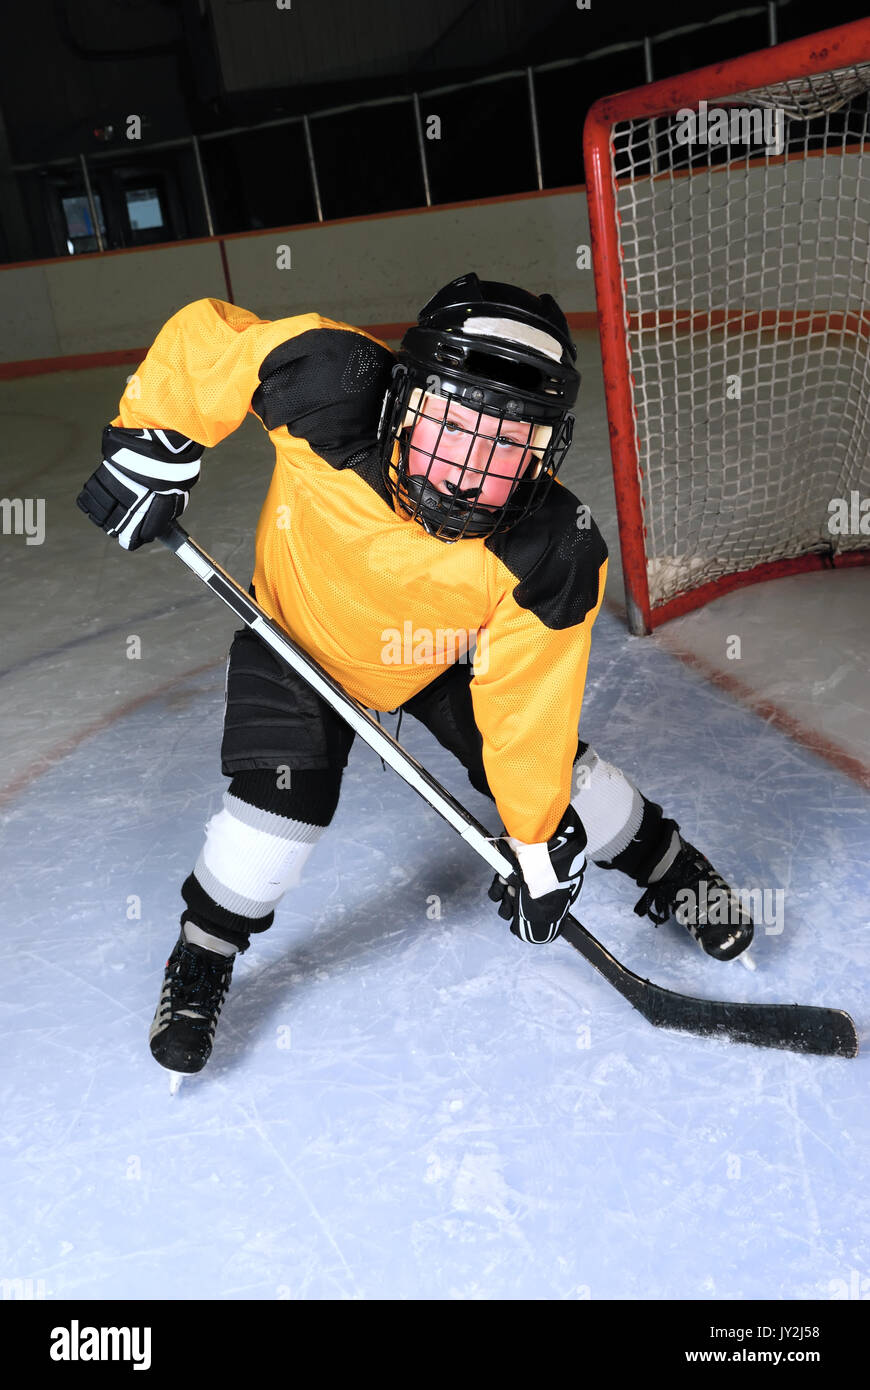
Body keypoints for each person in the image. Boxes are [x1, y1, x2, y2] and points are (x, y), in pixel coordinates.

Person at [76, 272, 753, 1077]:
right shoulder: (329, 383)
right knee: (274, 817)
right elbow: (212, 342)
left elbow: (527, 716)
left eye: (506, 445)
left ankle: (673, 869)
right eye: (453, 427)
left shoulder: (551, 552)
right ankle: (203, 955)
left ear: (544, 453)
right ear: (403, 394)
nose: (469, 471)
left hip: (431, 658)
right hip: (295, 636)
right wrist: (154, 435)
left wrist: (535, 843)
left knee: (562, 780)